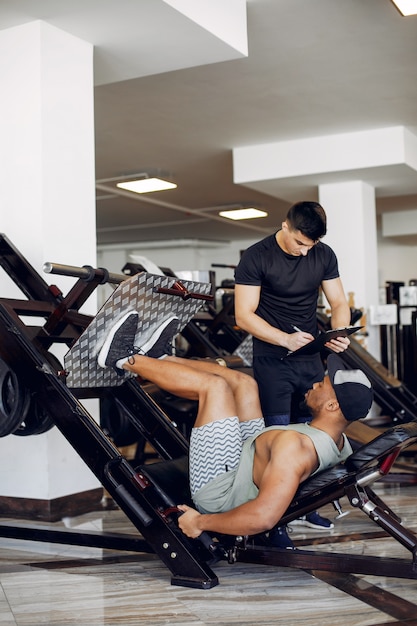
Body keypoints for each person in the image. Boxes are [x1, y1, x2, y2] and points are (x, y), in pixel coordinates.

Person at [97, 311, 373, 547]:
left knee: (214, 388)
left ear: (332, 407)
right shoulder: (339, 440)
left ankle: (122, 359)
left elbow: (264, 516)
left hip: (221, 491)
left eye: (322, 385)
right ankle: (162, 358)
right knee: (245, 385)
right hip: (246, 461)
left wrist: (200, 521)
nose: (314, 384)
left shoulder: (296, 449)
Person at [234, 200, 351, 533]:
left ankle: (304, 505)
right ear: (285, 226)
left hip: (310, 357)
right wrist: (283, 339)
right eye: (300, 243)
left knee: (313, 435)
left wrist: (339, 332)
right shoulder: (256, 256)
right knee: (278, 438)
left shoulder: (323, 254)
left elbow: (339, 302)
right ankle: (275, 520)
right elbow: (244, 315)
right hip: (273, 360)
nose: (304, 252)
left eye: (310, 246)